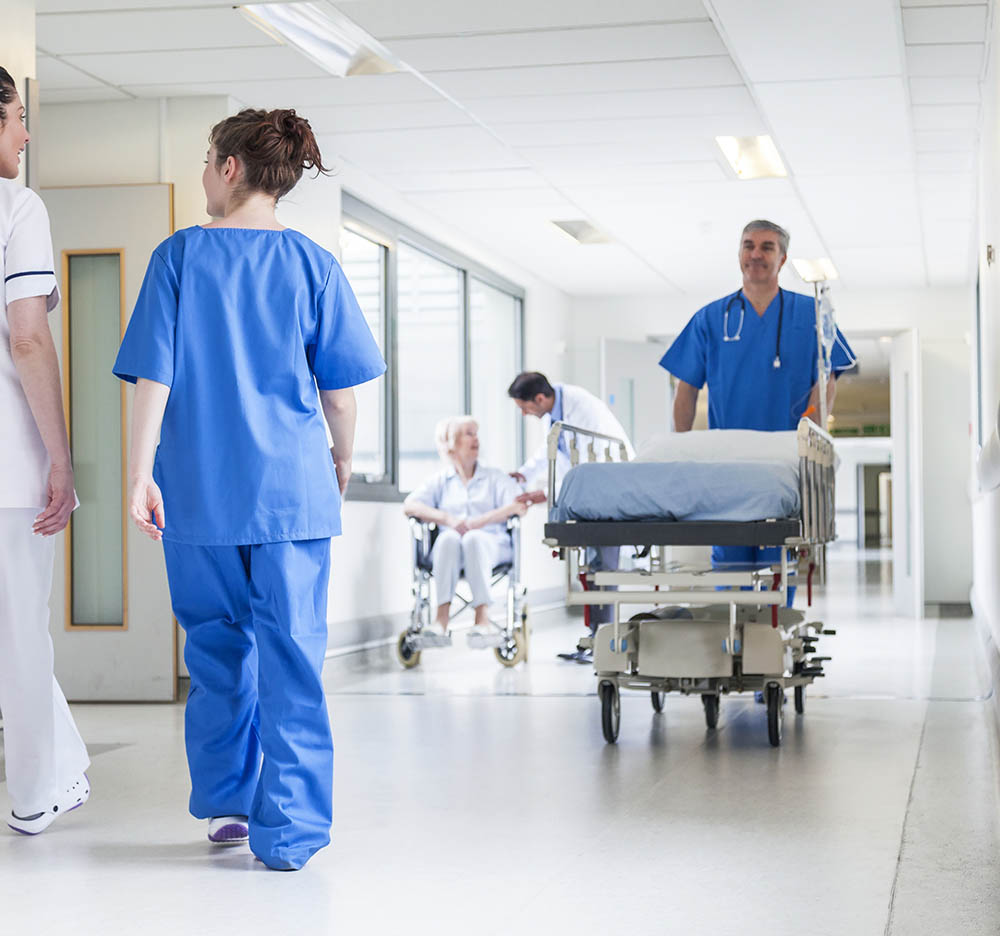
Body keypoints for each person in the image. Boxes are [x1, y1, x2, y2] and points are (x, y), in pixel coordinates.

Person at [113, 108, 385, 871]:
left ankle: (230, 804)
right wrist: (340, 459)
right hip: (292, 494)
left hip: (198, 491)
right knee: (292, 656)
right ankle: (290, 832)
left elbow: (153, 377)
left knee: (217, 650)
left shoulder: (178, 258)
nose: (203, 173)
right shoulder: (313, 264)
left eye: (207, 160)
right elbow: (340, 393)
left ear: (231, 167)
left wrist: (140, 476)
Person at [659, 219, 856, 599]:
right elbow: (685, 391)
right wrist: (680, 451)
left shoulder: (812, 314)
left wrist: (810, 428)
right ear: (738, 256)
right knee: (730, 568)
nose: (756, 254)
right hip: (728, 463)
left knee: (779, 562)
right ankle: (733, 646)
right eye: (748, 245)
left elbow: (828, 377)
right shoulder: (711, 318)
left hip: (784, 460)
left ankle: (773, 642)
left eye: (767, 247)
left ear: (782, 259)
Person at [0, 66, 91, 836]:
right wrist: (60, 455)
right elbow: (26, 333)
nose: (26, 136)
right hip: (7, 468)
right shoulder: (16, 206)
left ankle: (59, 771)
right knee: (20, 633)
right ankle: (32, 796)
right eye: (19, 118)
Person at [507, 372, 635, 662]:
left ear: (539, 399)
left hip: (608, 493)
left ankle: (605, 640)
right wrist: (525, 474)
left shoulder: (582, 410)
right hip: (590, 497)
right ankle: (595, 637)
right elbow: (552, 451)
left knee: (603, 569)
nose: (525, 414)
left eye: (524, 408)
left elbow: (585, 464)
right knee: (593, 569)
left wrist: (546, 494)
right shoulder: (555, 412)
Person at [403, 417, 528, 647]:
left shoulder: (494, 477)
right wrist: (448, 519)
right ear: (451, 444)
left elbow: (519, 505)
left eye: (476, 433)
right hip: (449, 551)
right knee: (448, 537)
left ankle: (482, 619)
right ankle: (441, 619)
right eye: (469, 433)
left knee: (473, 538)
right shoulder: (441, 480)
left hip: (491, 545)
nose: (476, 438)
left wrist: (479, 521)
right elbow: (410, 505)